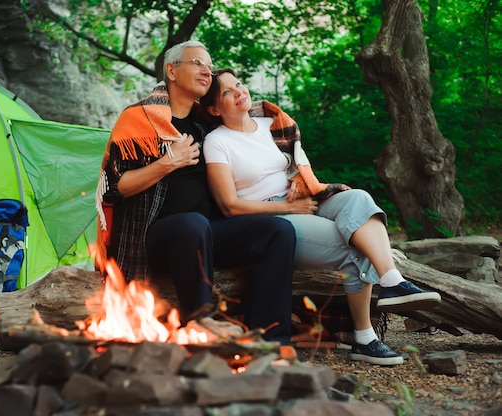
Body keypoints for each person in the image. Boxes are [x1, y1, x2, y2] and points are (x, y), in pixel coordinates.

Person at [201, 68, 442, 365]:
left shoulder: (272, 123)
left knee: (359, 198)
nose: (239, 91)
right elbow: (229, 206)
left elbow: (300, 165)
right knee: (354, 248)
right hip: (269, 219)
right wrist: (287, 208)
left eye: (238, 84)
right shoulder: (217, 141)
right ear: (214, 108)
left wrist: (299, 182)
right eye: (227, 92)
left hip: (303, 199)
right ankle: (364, 338)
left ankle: (392, 280)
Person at [95, 41, 297, 345]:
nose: (207, 71)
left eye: (209, 66)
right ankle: (199, 323)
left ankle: (270, 339)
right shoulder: (139, 120)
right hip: (153, 237)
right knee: (192, 223)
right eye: (197, 63)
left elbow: (245, 116)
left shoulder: (205, 124)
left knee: (277, 231)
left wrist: (294, 174)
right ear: (172, 70)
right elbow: (118, 186)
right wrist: (167, 162)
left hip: (207, 233)